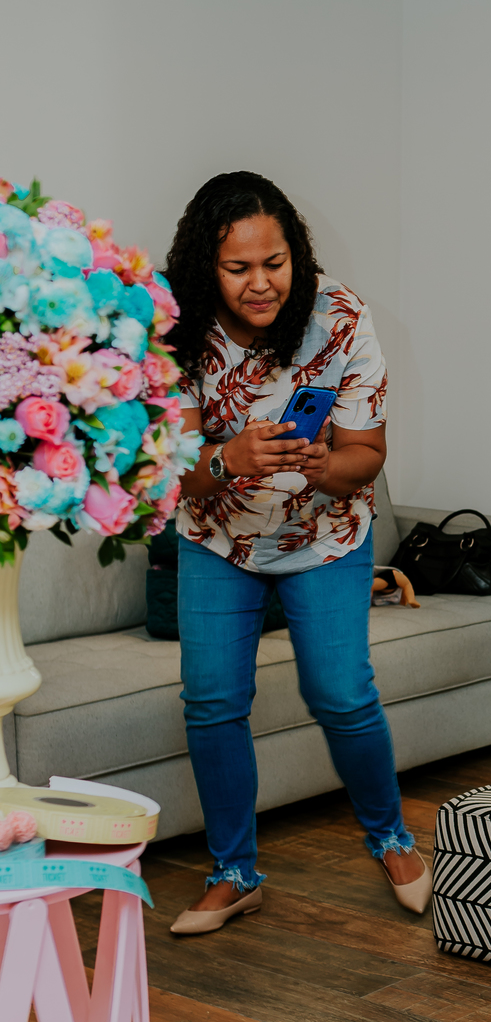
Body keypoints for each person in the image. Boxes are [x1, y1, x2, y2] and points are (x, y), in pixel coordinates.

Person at [163, 171, 430, 935]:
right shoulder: (173, 327)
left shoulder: (339, 316)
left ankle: (393, 840)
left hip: (325, 532)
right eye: (237, 268)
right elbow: (169, 467)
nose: (260, 284)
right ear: (204, 269)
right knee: (213, 702)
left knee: (342, 693)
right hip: (218, 535)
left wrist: (323, 466)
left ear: (296, 255)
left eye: (273, 263)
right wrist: (228, 459)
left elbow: (367, 453)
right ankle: (234, 872)